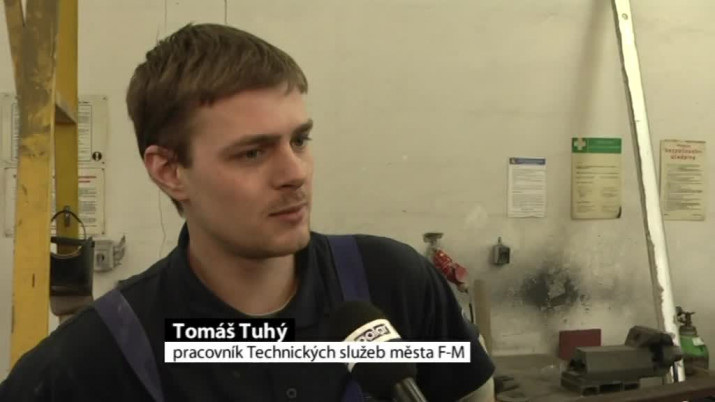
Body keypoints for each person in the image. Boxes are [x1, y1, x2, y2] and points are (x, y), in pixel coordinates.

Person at [0, 24, 495, 401]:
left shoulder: (394, 284)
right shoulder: (100, 357)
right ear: (169, 170)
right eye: (253, 152)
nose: (295, 173)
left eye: (299, 140)